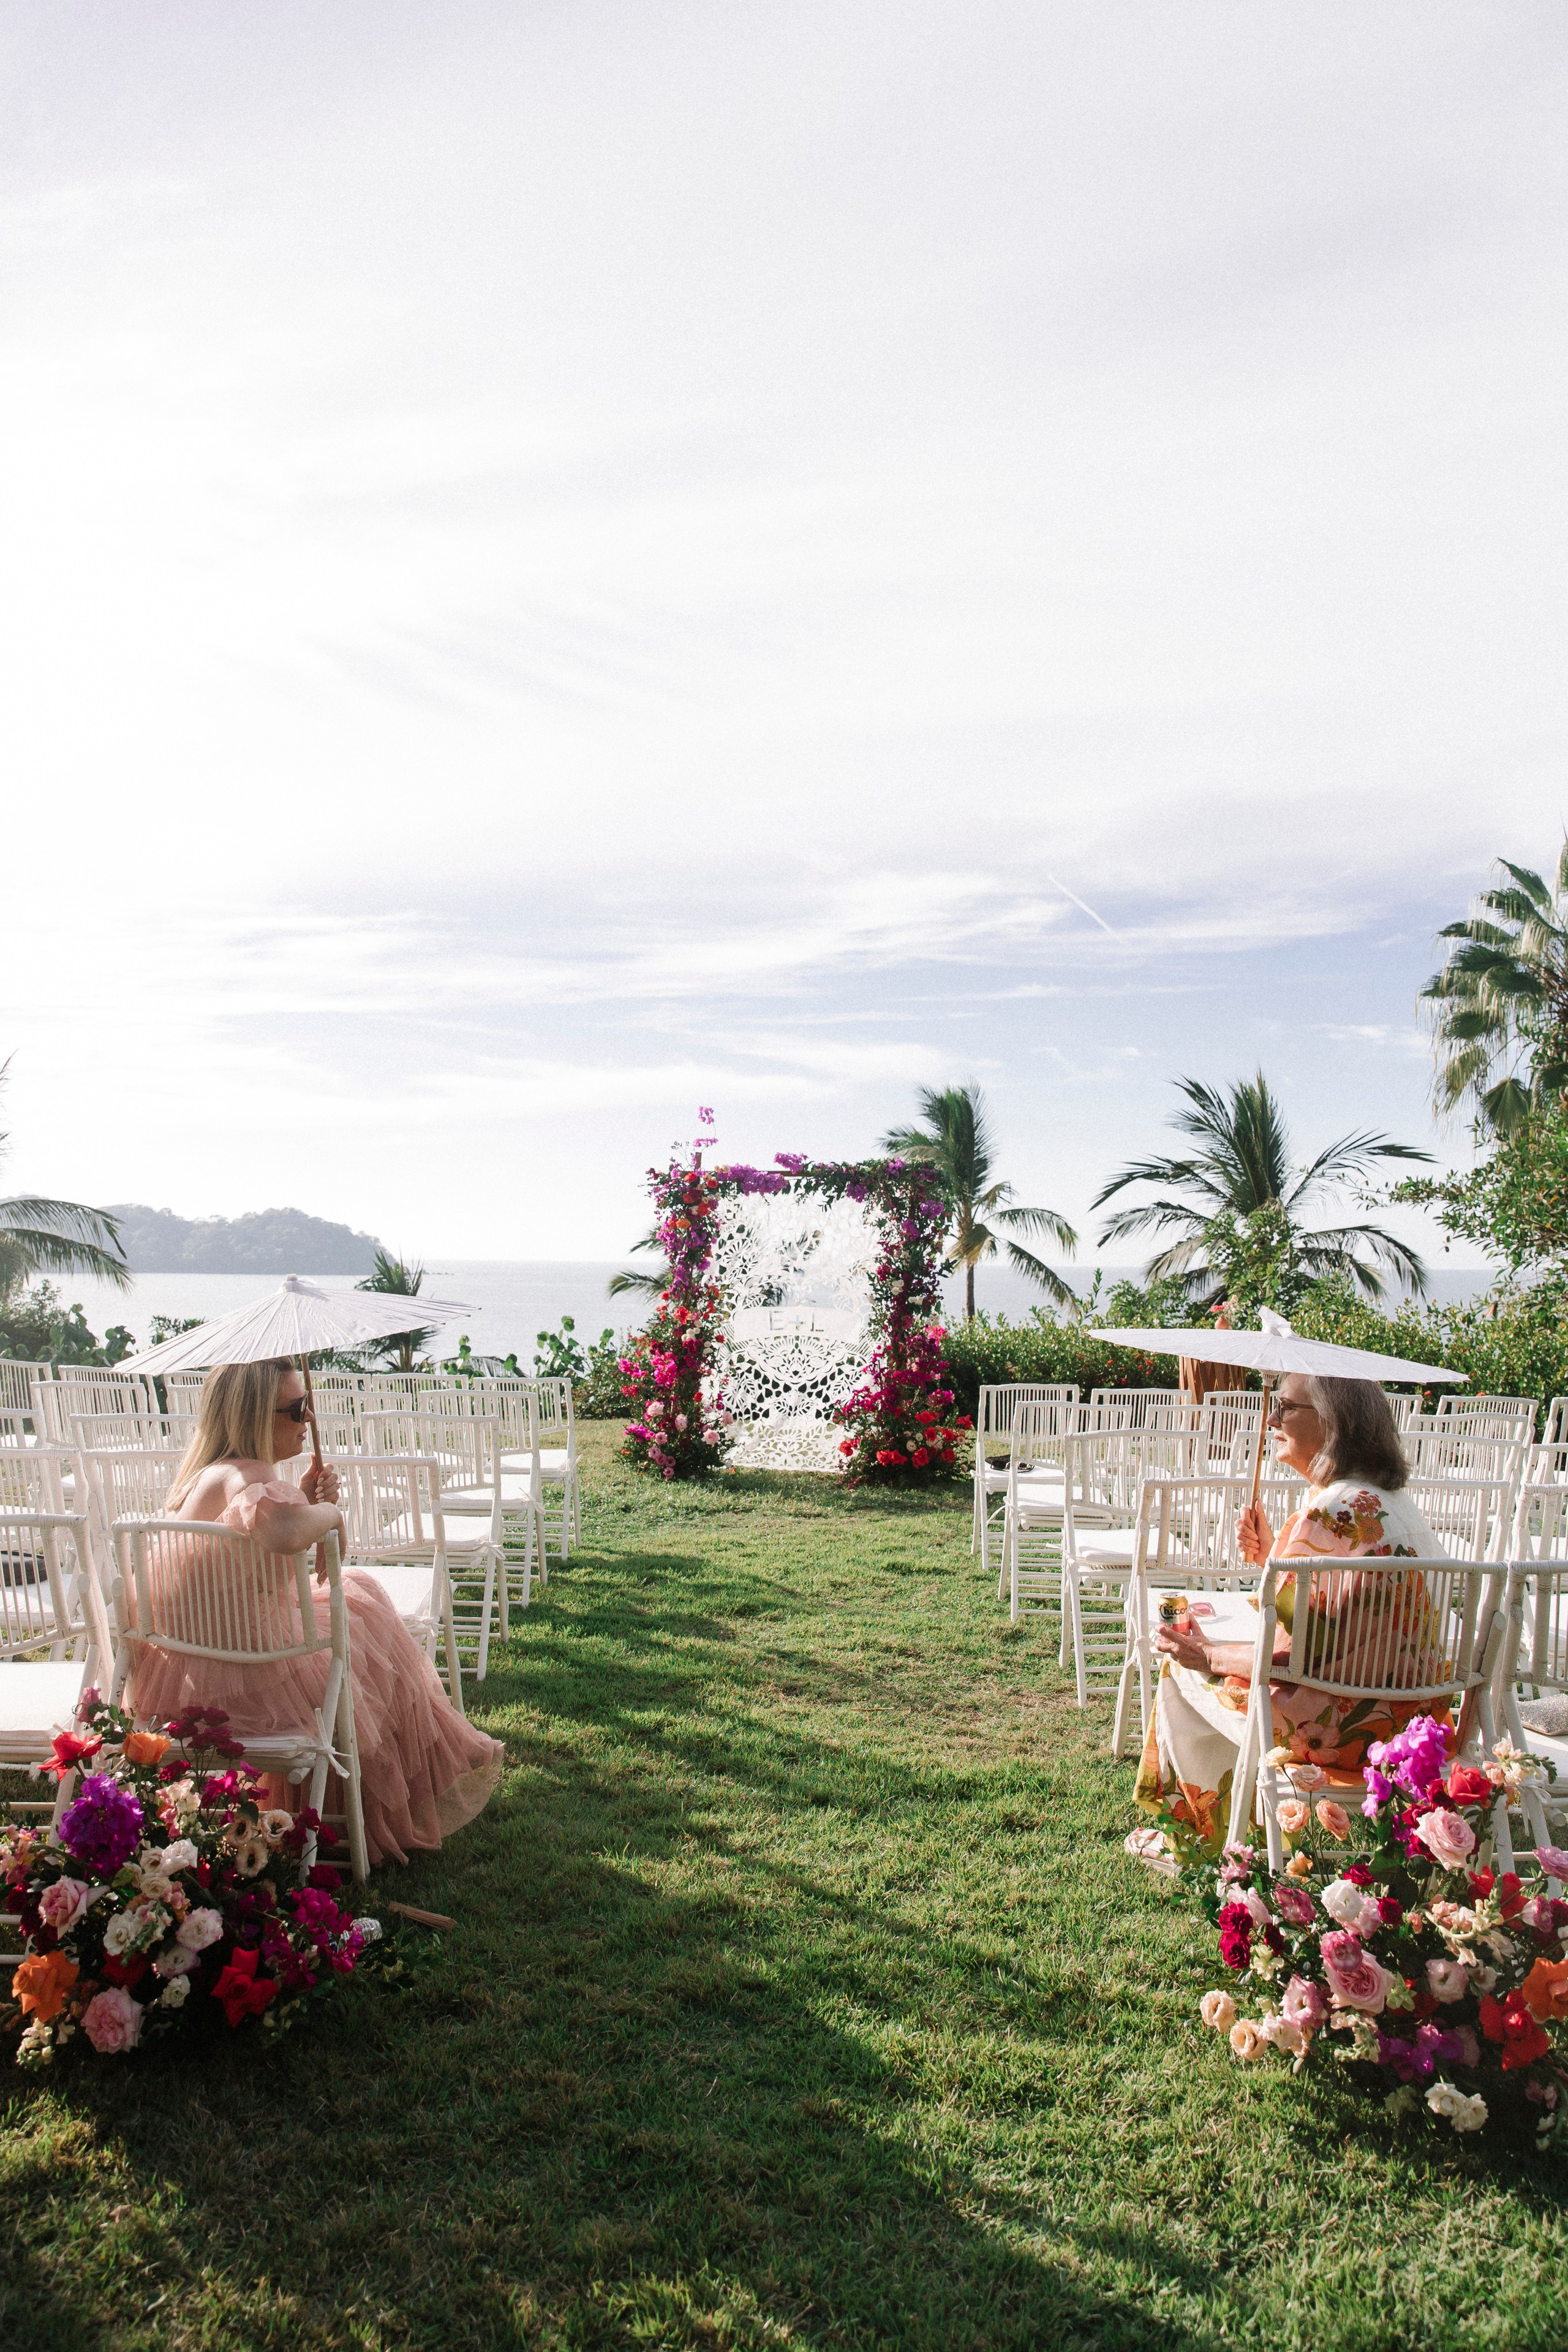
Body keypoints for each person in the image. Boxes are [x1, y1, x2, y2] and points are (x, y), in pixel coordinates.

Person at [132, 1358, 503, 1867]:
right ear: (255, 1417)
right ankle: (407, 1790)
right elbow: (281, 1535)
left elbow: (247, 1563)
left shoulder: (213, 1475)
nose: (308, 1419)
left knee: (355, 1601)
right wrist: (330, 1514)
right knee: (365, 1605)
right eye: (296, 1408)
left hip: (198, 1665)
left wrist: (302, 1499)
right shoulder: (253, 1477)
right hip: (255, 1671)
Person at [1133, 1372, 1441, 1856]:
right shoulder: (1389, 1503)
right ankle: (1235, 1821)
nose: (1271, 1419)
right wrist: (1270, 1560)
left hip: (1348, 1725)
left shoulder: (1328, 1513)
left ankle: (1196, 1840)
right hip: (1416, 1719)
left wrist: (1207, 1653)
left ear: (1334, 1424)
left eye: (1286, 1408)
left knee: (1182, 1668)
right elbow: (1348, 1612)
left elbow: (1287, 1654)